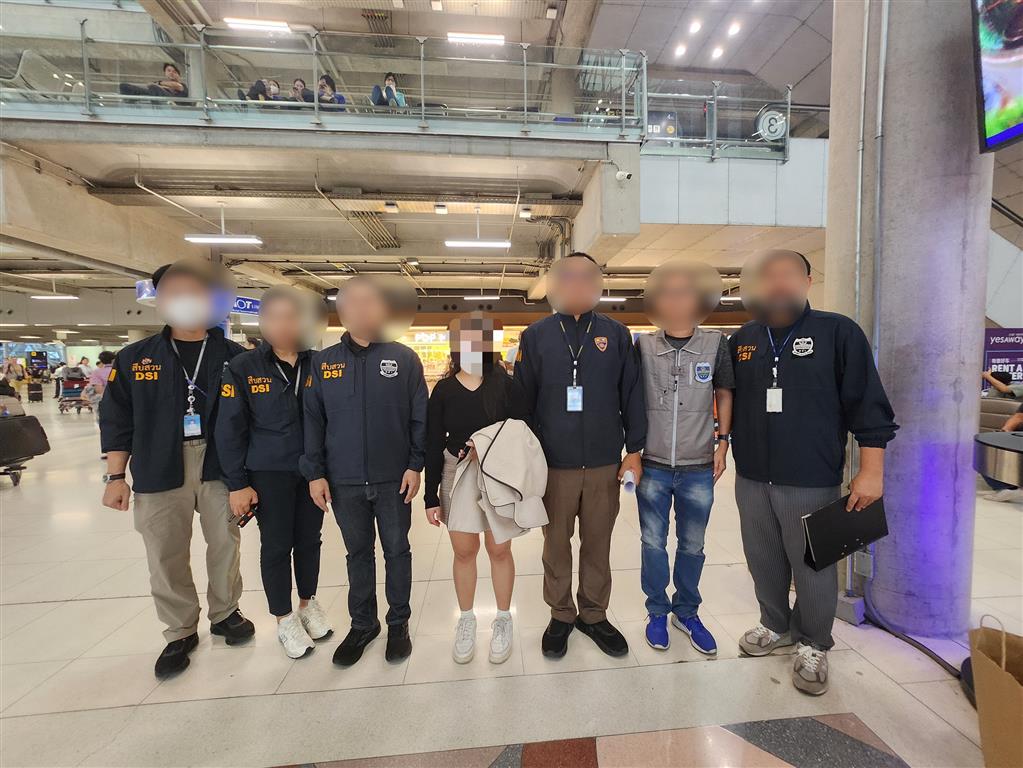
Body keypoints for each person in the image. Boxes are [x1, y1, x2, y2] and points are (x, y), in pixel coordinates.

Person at [729, 249, 897, 695]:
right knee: (762, 558)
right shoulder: (743, 338)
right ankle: (774, 624)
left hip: (812, 476)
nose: (779, 283)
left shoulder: (838, 332)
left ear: (807, 281)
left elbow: (868, 405)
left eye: (789, 274)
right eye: (769, 276)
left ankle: (815, 642)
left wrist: (872, 471)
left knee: (813, 565)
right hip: (751, 476)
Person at [99, 259, 253, 679]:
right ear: (159, 299)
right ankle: (180, 630)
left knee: (225, 542)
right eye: (174, 293)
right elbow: (116, 419)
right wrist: (116, 477)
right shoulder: (135, 357)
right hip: (157, 463)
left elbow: (251, 418)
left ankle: (226, 613)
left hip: (221, 464)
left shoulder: (235, 357)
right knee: (164, 550)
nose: (185, 300)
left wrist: (249, 477)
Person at [514, 252, 646, 659]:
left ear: (599, 285)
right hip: (553, 464)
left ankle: (593, 613)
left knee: (598, 542)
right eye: (568, 277)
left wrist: (634, 450)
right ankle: (561, 614)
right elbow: (523, 401)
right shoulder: (536, 335)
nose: (577, 284)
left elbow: (632, 394)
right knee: (555, 543)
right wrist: (527, 458)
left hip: (605, 462)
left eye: (587, 277)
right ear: (553, 285)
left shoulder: (616, 334)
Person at [301, 276, 428, 667]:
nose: (360, 309)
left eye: (369, 301)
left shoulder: (404, 359)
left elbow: (419, 417)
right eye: (351, 302)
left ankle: (398, 624)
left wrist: (415, 464)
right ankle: (363, 624)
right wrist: (315, 473)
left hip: (394, 479)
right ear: (340, 311)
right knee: (357, 553)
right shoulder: (323, 362)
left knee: (397, 551)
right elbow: (313, 420)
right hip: (344, 480)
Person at [217, 287, 332, 659]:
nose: (283, 325)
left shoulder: (320, 364)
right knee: (277, 545)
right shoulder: (243, 367)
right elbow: (229, 429)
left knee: (310, 540)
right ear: (262, 322)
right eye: (275, 317)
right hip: (269, 471)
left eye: (291, 317)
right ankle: (284, 619)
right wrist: (237, 483)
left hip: (313, 471)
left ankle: (307, 604)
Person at [635, 261, 734, 655]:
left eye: (685, 294)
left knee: (693, 544)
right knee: (652, 543)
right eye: (669, 294)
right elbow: (630, 399)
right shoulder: (643, 346)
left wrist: (723, 443)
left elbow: (724, 392)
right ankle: (657, 611)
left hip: (698, 466)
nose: (677, 301)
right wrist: (631, 453)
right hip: (654, 464)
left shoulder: (715, 344)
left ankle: (687, 612)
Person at [424, 313, 530, 664]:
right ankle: (466, 620)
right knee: (464, 551)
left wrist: (484, 446)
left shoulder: (507, 386)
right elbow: (432, 442)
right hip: (456, 474)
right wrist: (429, 496)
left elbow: (522, 432)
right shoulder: (444, 389)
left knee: (499, 550)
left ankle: (503, 619)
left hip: (498, 476)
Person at [119, 62, 189, 101]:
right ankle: (130, 102)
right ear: (165, 73)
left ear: (179, 74)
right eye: (168, 71)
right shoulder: (161, 86)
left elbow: (176, 85)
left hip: (172, 103)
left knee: (153, 87)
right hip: (156, 93)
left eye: (174, 71)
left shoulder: (182, 86)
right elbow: (149, 85)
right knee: (124, 86)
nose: (171, 73)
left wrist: (159, 83)